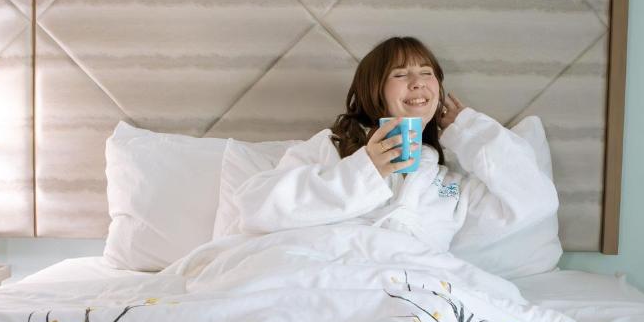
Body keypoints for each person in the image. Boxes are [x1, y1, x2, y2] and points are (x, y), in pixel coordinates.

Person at [229, 36, 558, 253]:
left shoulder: (447, 185)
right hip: (329, 280)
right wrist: (364, 171)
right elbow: (255, 208)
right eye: (400, 75)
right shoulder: (331, 150)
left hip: (408, 295)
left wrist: (471, 130)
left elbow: (535, 200)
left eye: (426, 73)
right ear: (374, 90)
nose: (417, 82)